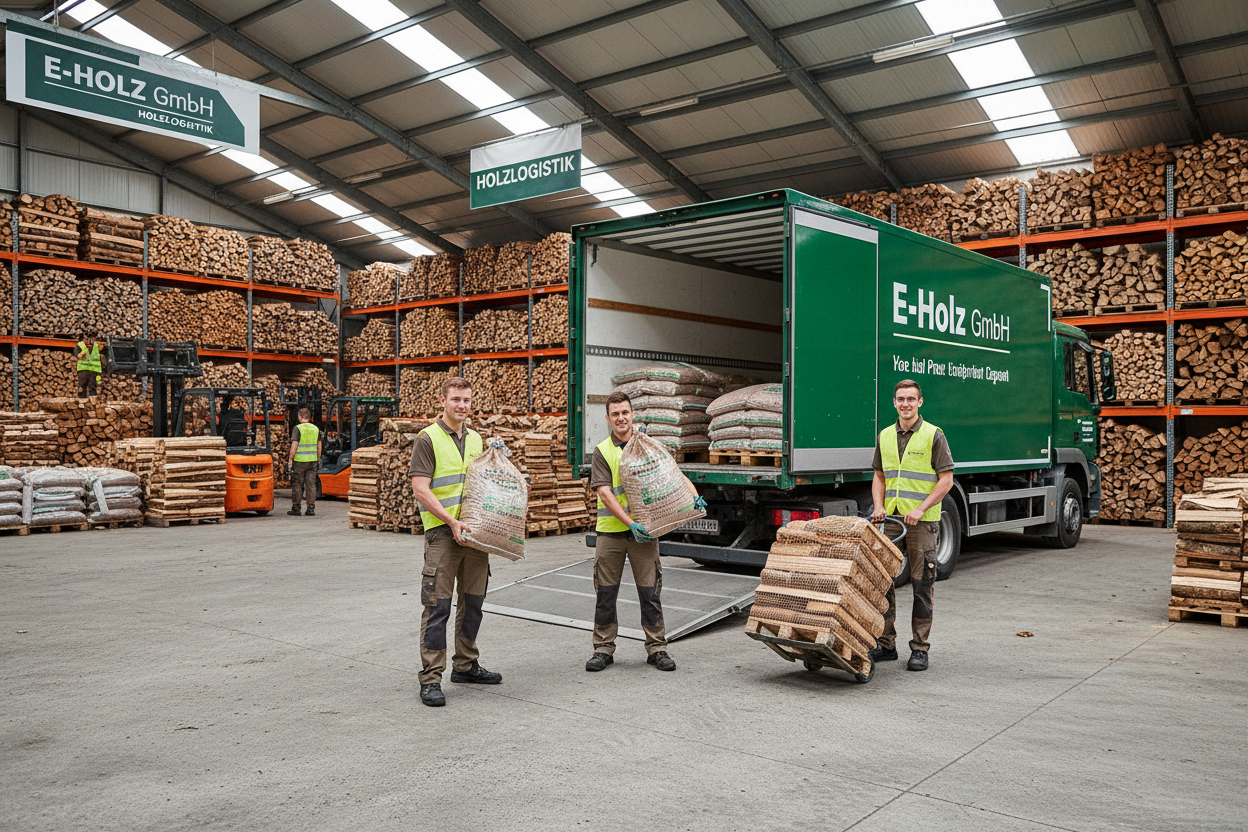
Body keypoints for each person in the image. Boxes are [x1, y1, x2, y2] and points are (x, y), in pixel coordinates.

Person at [585, 391, 706, 673]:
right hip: (612, 534)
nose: (621, 418)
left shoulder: (648, 446)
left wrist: (694, 496)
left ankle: (657, 648)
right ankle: (603, 648)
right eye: (615, 414)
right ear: (607, 418)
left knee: (649, 591)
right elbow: (604, 494)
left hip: (646, 533)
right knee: (605, 592)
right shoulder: (602, 450)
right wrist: (630, 523)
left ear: (632, 414)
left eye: (625, 412)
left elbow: (674, 475)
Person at [409, 377, 501, 707]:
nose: (461, 405)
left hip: (474, 536)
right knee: (438, 606)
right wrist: (451, 521)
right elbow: (421, 488)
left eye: (466, 400)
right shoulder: (427, 439)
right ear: (443, 401)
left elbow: (483, 483)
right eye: (456, 399)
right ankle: (431, 677)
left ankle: (466, 665)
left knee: (473, 602)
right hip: (443, 536)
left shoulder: (476, 439)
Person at [870, 379, 954, 673]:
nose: (905, 403)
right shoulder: (884, 436)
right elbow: (879, 476)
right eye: (900, 399)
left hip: (922, 523)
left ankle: (919, 649)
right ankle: (885, 644)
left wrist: (920, 509)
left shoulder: (934, 435)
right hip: (891, 520)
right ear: (894, 402)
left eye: (911, 399)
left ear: (920, 402)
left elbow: (946, 480)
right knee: (881, 583)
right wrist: (879, 506)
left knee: (921, 585)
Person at [288, 407, 321, 517]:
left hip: (299, 461)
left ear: (299, 416)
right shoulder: (316, 429)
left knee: (297, 484)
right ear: (309, 417)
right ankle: (310, 509)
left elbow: (294, 444)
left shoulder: (298, 428)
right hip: (312, 460)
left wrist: (290, 459)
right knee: (311, 484)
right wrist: (318, 457)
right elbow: (319, 445)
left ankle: (296, 508)